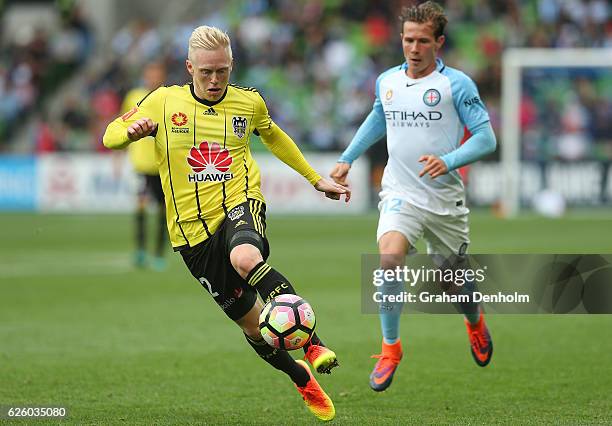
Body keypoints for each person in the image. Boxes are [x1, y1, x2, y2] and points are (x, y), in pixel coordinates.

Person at [103, 26, 349, 421]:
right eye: (206, 72)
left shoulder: (248, 103)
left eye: (222, 70)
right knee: (255, 328)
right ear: (189, 68)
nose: (215, 80)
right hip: (190, 234)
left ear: (231, 65)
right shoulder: (164, 102)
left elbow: (274, 137)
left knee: (245, 257)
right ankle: (299, 376)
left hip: (238, 203)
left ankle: (314, 344)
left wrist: (315, 178)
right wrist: (130, 134)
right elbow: (110, 134)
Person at [330, 1, 497, 392]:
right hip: (400, 191)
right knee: (388, 259)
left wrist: (449, 160)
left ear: (438, 42)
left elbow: (487, 138)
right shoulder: (387, 80)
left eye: (423, 41)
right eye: (408, 40)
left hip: (443, 202)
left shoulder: (457, 84)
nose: (414, 48)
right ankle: (391, 348)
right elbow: (378, 117)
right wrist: (347, 158)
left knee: (454, 282)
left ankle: (474, 322)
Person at [121, 62, 167, 269]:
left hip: (161, 164)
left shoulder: (168, 98)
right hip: (140, 164)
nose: (153, 78)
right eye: (150, 74)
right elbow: (121, 125)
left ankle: (158, 254)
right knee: (140, 207)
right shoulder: (134, 96)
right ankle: (140, 251)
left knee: (163, 210)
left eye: (157, 74)